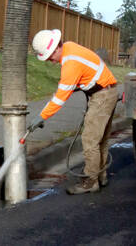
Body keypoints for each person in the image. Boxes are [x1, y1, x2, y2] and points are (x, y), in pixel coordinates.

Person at [28, 29, 118, 194]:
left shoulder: (70, 64)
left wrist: (42, 116)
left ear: (56, 48)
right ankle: (100, 175)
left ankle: (91, 182)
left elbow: (59, 98)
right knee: (100, 138)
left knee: (90, 139)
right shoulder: (70, 47)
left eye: (49, 56)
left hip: (102, 96)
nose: (50, 61)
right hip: (107, 91)